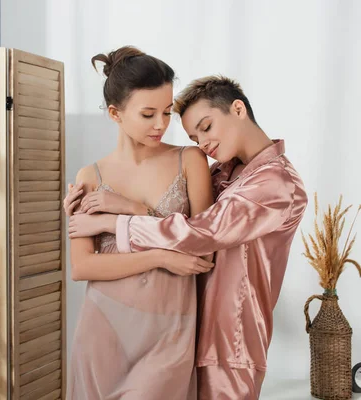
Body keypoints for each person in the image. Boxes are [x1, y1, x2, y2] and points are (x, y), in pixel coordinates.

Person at [66, 76, 308, 399]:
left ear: (238, 109)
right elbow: (178, 220)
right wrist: (98, 207)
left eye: (207, 127)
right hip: (182, 331)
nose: (203, 144)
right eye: (195, 136)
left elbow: (202, 232)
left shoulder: (276, 184)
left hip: (229, 344)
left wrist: (119, 220)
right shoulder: (224, 172)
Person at [66, 46, 216, 400]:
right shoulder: (90, 176)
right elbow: (83, 266)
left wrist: (130, 208)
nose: (161, 124)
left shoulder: (189, 160)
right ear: (116, 113)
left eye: (166, 112)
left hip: (170, 331)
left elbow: (203, 247)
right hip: (104, 330)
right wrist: (160, 257)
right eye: (148, 114)